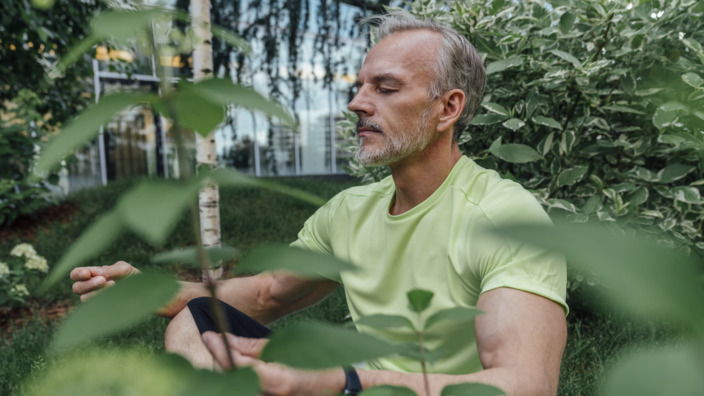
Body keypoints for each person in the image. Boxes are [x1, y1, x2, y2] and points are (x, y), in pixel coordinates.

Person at [70, 11, 567, 396]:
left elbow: (528, 384)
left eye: (385, 88)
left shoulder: (503, 218)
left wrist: (345, 381)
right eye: (359, 87)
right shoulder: (350, 211)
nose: (357, 103)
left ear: (448, 108)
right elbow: (269, 294)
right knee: (194, 321)